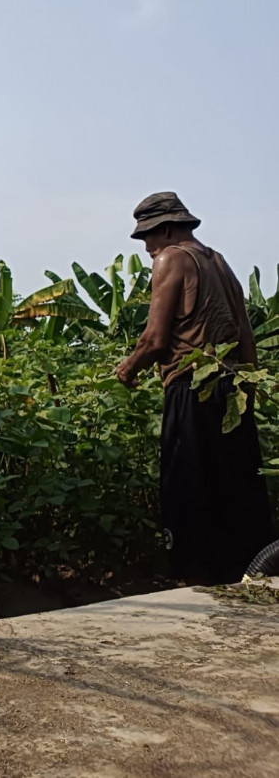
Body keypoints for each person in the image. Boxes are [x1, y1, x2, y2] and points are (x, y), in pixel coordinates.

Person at [116, 192, 274, 585]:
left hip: (192, 390)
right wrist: (245, 394)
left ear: (166, 229)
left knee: (187, 486)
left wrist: (128, 369)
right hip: (232, 391)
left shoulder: (172, 259)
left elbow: (154, 338)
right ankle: (244, 576)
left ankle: (193, 579)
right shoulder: (219, 262)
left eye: (148, 239)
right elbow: (246, 337)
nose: (148, 249)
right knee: (235, 488)